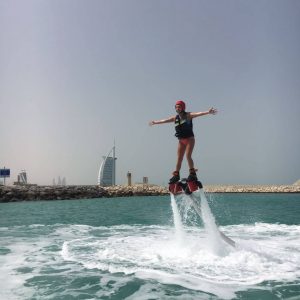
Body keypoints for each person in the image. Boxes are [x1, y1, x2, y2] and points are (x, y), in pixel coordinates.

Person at [149, 100, 217, 184]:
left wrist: (208, 112)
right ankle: (176, 175)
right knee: (179, 158)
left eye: (179, 107)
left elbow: (198, 113)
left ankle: (192, 173)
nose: (177, 108)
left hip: (189, 139)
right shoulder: (175, 118)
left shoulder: (188, 115)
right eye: (176, 107)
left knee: (188, 155)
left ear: (183, 107)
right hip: (181, 141)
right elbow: (165, 120)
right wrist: (155, 122)